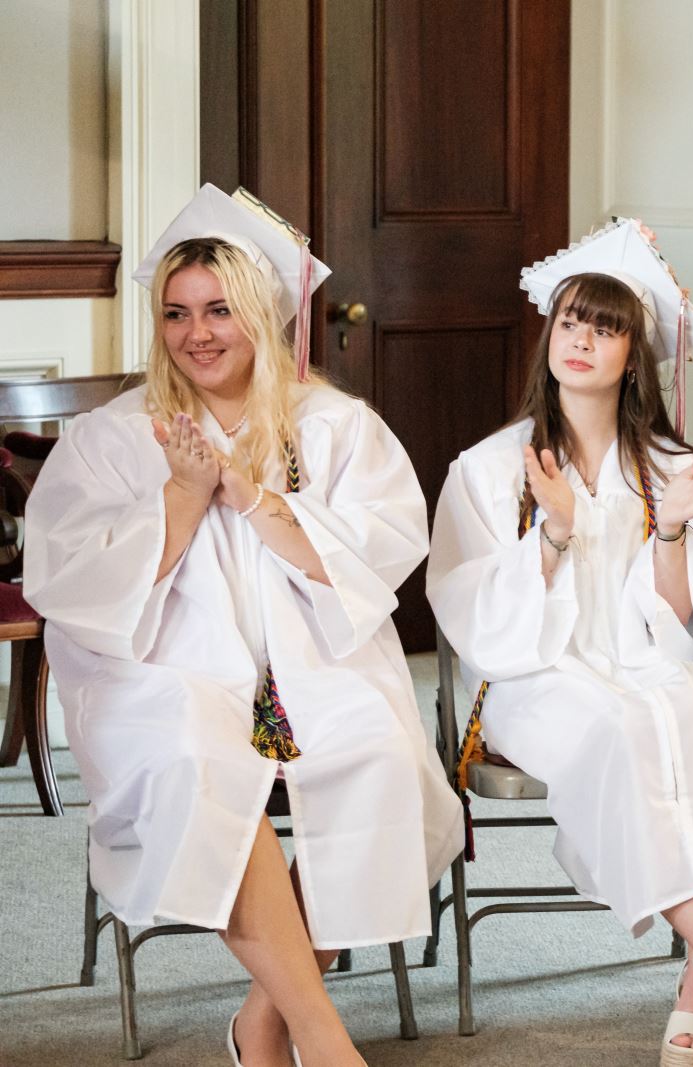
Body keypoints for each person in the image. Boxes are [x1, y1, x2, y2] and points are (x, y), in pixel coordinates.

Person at [23, 185, 461, 1067]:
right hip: (166, 675)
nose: (199, 333)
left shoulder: (334, 427)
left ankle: (265, 1017)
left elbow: (380, 553)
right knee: (201, 758)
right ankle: (327, 1038)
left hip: (312, 666)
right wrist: (181, 496)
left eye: (220, 308)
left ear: (261, 311)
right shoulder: (113, 437)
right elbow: (70, 579)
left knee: (380, 761)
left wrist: (257, 499)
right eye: (178, 313)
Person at [426, 218, 693, 1067]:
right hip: (536, 681)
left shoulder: (673, 465)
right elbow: (474, 617)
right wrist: (551, 534)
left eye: (606, 325)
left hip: (645, 665)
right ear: (548, 335)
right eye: (569, 321)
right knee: (625, 728)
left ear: (637, 353)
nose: (581, 339)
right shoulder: (490, 468)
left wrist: (669, 531)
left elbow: (691, 635)